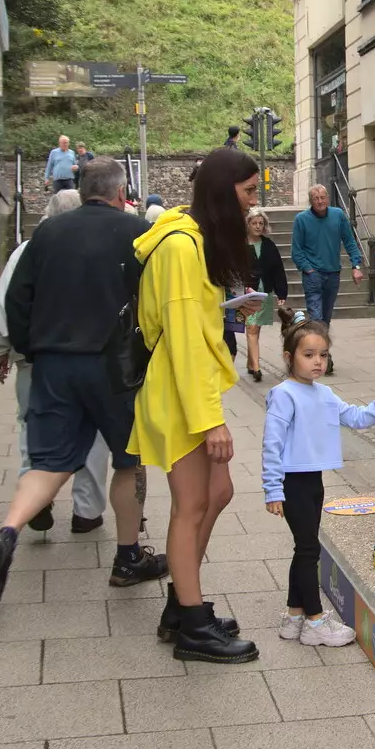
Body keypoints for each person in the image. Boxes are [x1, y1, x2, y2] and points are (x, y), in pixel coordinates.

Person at [0, 157, 165, 611]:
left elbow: (19, 300)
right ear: (121, 193)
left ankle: (7, 533)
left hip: (54, 365)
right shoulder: (135, 233)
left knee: (49, 462)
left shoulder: (46, 235)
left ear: (81, 188)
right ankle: (128, 557)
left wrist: (32, 351)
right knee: (128, 461)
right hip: (115, 368)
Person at [130, 147, 263, 662]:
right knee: (191, 506)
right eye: (249, 192)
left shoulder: (188, 239)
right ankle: (191, 623)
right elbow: (184, 340)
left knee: (219, 491)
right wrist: (211, 423)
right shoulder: (183, 248)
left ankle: (181, 601)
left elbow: (184, 324)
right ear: (221, 191)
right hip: (182, 393)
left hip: (186, 387)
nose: (255, 204)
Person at [263, 321, 375, 646]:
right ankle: (314, 620)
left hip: (314, 482)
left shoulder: (324, 394)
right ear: (289, 356)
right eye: (308, 354)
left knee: (305, 548)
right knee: (309, 549)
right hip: (292, 483)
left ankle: (294, 615)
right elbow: (271, 444)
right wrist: (273, 488)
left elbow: (358, 417)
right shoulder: (283, 395)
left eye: (323, 355)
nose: (317, 361)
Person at [0, 189, 112, 534]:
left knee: (35, 433)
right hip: (93, 360)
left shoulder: (28, 250)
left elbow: (2, 310)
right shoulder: (101, 247)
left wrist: (0, 349)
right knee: (94, 436)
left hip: (37, 362)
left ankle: (35, 502)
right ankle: (87, 512)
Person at [291, 184, 364, 374]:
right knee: (316, 318)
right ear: (311, 201)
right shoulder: (302, 220)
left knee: (326, 317)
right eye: (316, 198)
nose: (320, 201)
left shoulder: (338, 215)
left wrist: (356, 266)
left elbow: (349, 241)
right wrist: (308, 269)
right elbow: (296, 251)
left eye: (323, 197)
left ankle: (318, 353)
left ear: (328, 198)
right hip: (313, 275)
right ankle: (324, 356)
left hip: (333, 273)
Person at [244, 207, 289, 382]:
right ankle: (256, 368)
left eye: (260, 223)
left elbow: (278, 269)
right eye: (254, 223)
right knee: (252, 328)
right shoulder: (241, 244)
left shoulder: (269, 245)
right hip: (247, 293)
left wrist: (281, 291)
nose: (257, 227)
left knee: (256, 328)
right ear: (248, 224)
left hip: (265, 291)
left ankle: (250, 362)